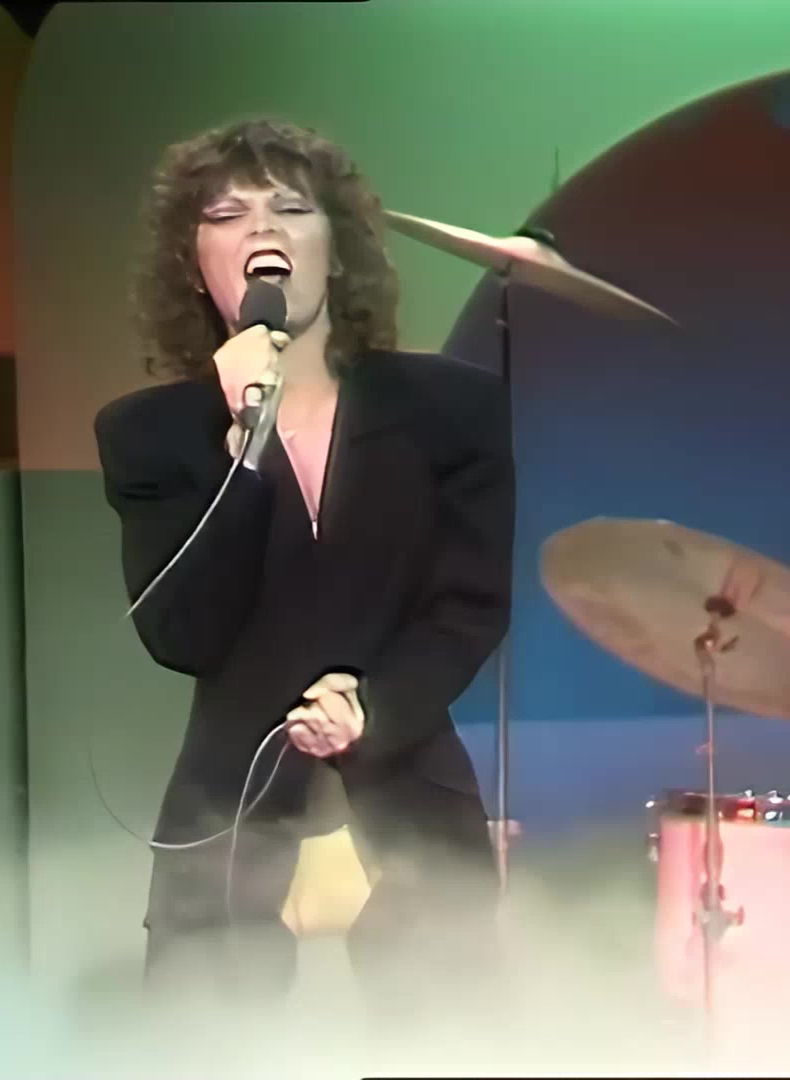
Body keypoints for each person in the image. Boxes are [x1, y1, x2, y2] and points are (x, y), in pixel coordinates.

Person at [91, 119, 513, 1036]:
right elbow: (181, 632)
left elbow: (471, 605)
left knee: (450, 1043)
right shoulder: (148, 435)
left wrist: (374, 705)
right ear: (193, 262)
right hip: (227, 823)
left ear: (337, 246)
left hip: (410, 796)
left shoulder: (453, 410)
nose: (261, 228)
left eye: (290, 207)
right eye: (226, 214)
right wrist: (243, 446)